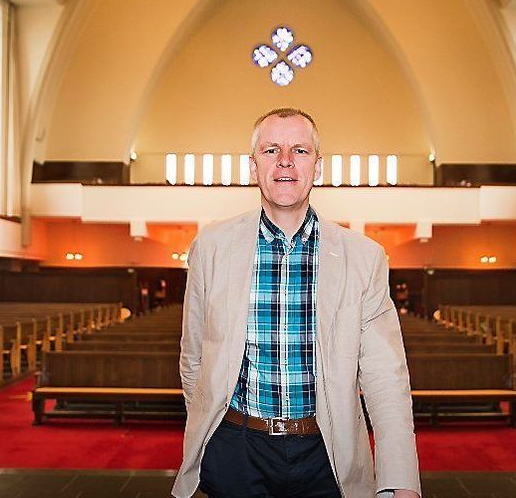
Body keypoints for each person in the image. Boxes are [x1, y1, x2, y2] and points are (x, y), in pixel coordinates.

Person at [172, 108, 420, 498]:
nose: (285, 160)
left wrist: (400, 481)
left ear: (317, 167)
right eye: (271, 150)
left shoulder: (363, 257)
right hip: (237, 448)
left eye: (300, 151)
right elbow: (193, 361)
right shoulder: (211, 248)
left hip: (326, 451)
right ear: (253, 167)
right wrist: (212, 426)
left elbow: (386, 380)